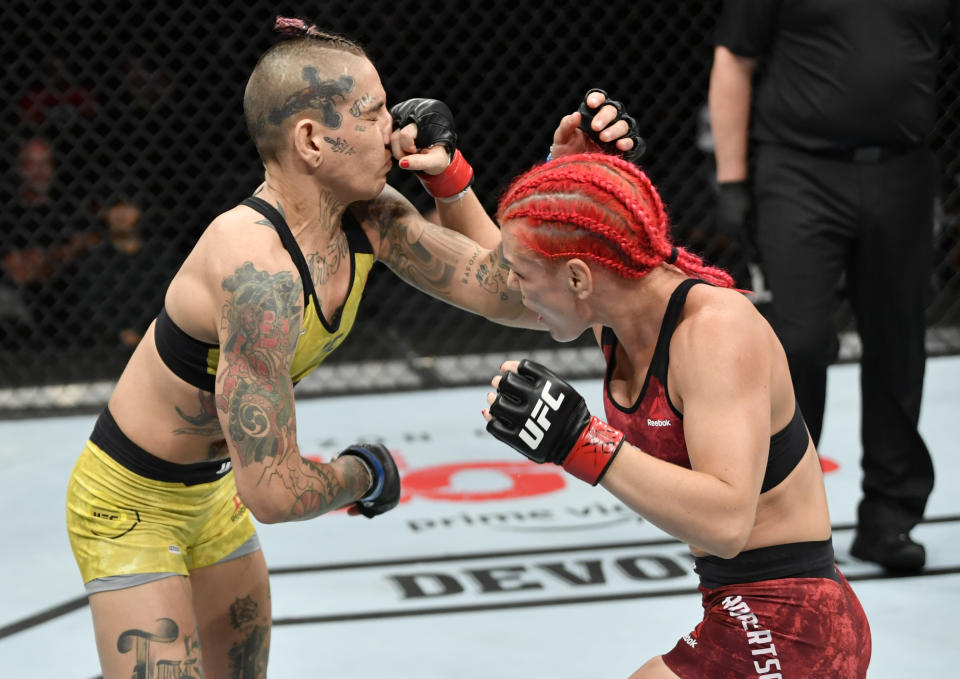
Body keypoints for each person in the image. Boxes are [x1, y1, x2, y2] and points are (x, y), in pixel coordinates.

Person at [65, 17, 641, 678]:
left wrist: (559, 182)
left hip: (215, 495)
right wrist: (363, 472)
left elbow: (519, 296)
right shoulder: (257, 272)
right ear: (310, 139)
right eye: (371, 114)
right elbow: (277, 492)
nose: (393, 130)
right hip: (128, 503)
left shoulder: (373, 217)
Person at [482, 153, 871, 678]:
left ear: (578, 277)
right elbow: (477, 281)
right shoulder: (617, 313)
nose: (515, 286)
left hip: (795, 623)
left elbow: (728, 522)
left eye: (523, 274)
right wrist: (446, 182)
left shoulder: (715, 334)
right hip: (741, 604)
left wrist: (579, 442)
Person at [707, 0, 960, 573]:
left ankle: (889, 519)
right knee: (798, 341)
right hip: (799, 171)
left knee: (899, 342)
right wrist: (732, 179)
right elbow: (734, 59)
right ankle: (786, 519)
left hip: (903, 168)